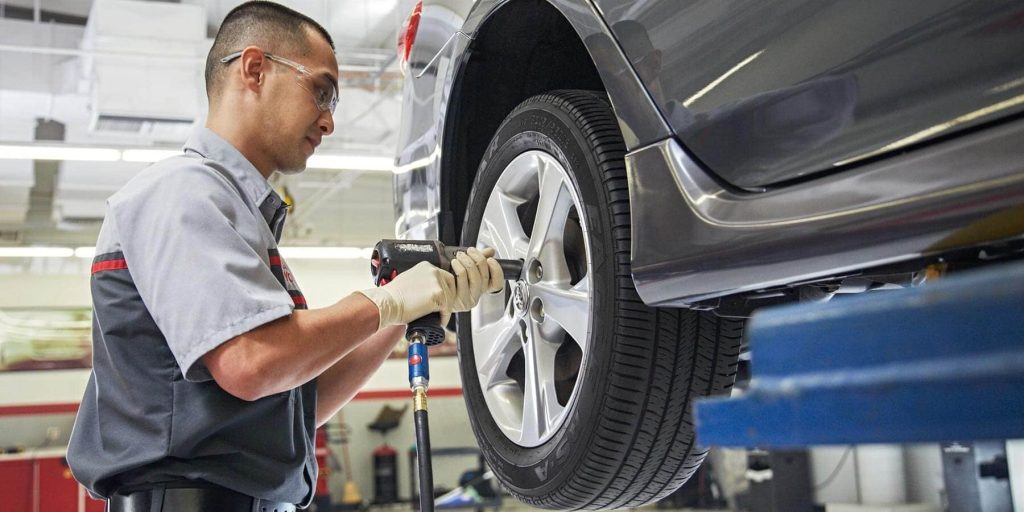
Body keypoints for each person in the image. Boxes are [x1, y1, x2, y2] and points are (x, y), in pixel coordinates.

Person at [66, 2, 503, 511]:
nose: (329, 121)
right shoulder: (183, 193)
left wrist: (401, 313)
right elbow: (251, 365)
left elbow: (299, 403)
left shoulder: (236, 217)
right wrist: (379, 304)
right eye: (321, 91)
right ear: (254, 69)